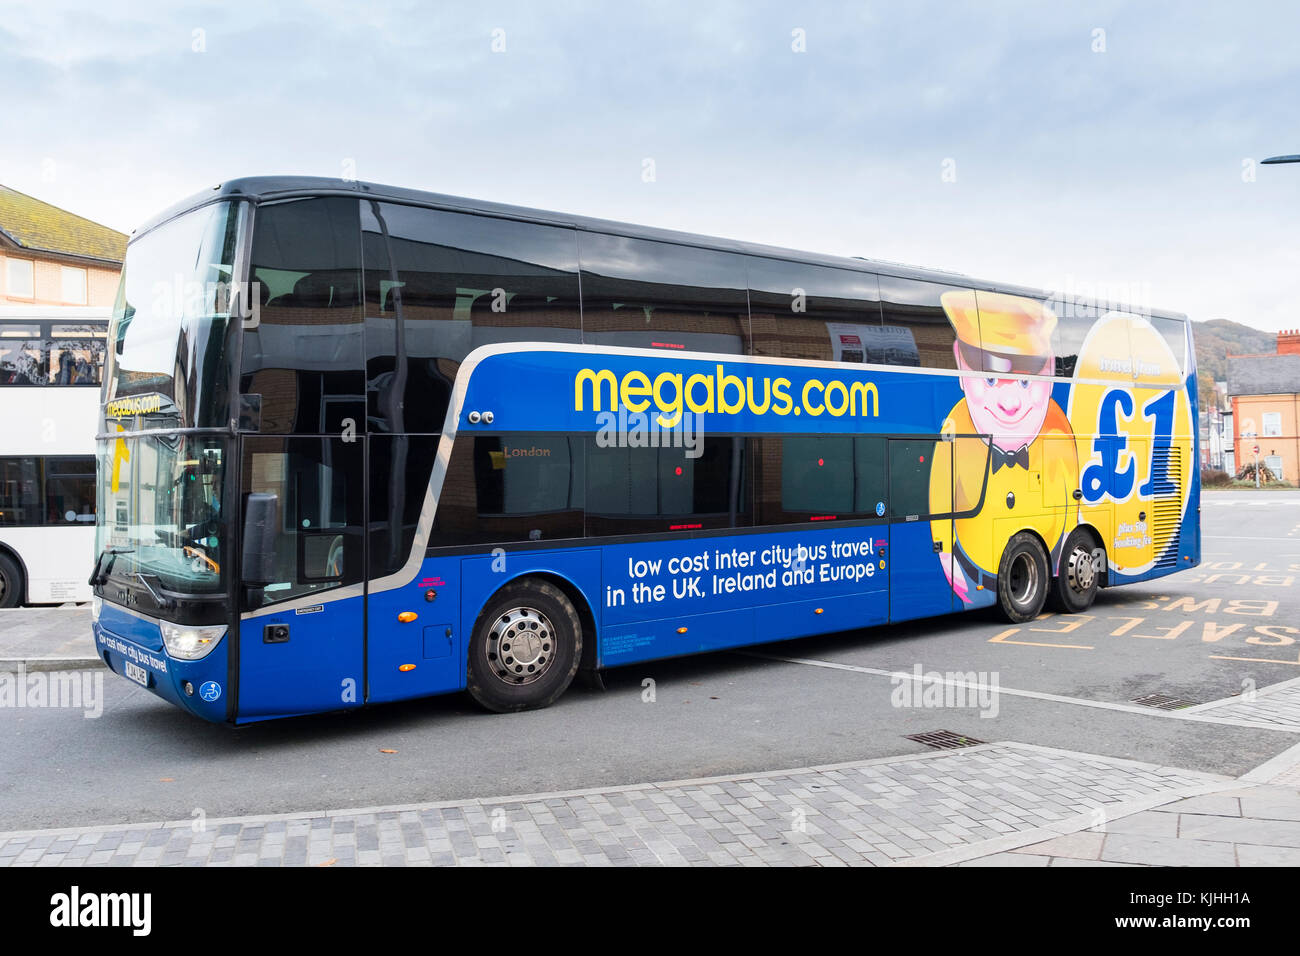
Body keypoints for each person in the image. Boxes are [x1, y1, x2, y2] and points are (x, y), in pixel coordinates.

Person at [929, 291, 1079, 607]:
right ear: (960, 364)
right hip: (972, 578)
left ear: (1050, 371)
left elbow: (1072, 501)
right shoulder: (955, 429)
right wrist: (945, 555)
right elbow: (942, 497)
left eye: (1025, 382)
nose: (1010, 404)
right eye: (992, 380)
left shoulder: (1057, 428)